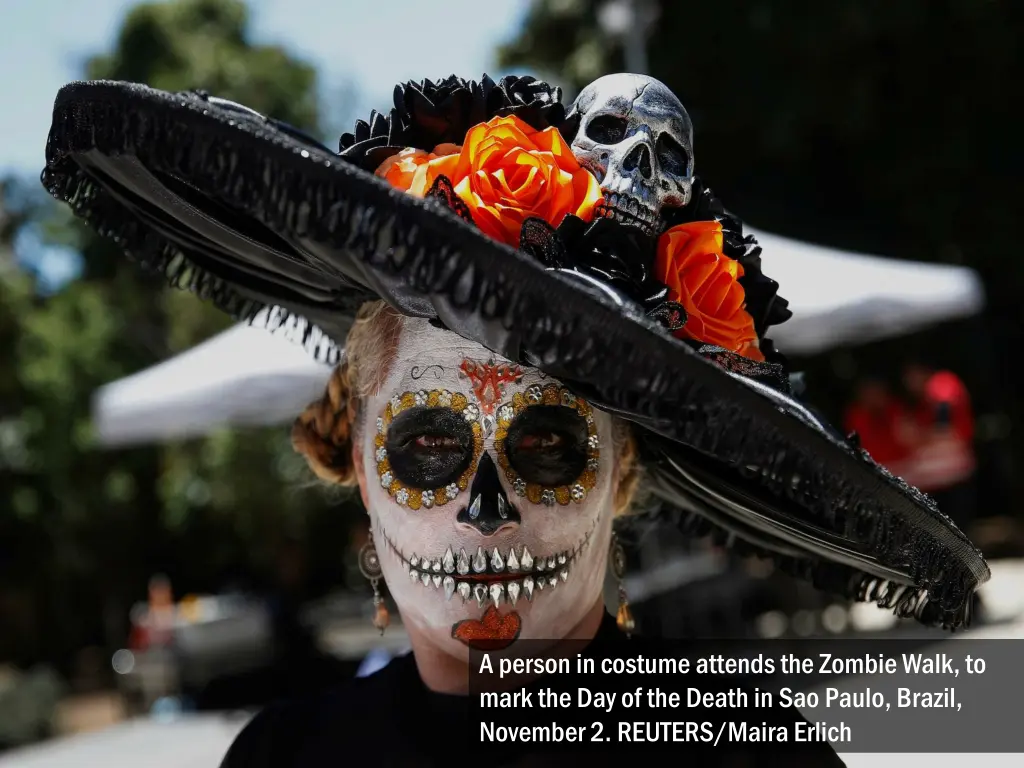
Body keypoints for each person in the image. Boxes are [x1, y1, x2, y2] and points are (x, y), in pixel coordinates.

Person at [42, 71, 990, 766]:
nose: (485, 513)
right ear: (362, 471)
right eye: (428, 446)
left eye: (547, 444)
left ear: (620, 474)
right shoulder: (285, 762)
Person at [902, 362, 977, 531]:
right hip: (934, 479)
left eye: (912, 377)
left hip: (954, 473)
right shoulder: (919, 401)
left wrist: (921, 434)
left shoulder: (941, 383)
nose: (909, 383)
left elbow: (943, 416)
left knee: (958, 526)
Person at [843, 378, 914, 475]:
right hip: (877, 470)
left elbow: (910, 438)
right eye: (871, 393)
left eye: (879, 393)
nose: (877, 397)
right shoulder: (857, 416)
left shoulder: (892, 409)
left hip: (904, 465)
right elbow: (867, 451)